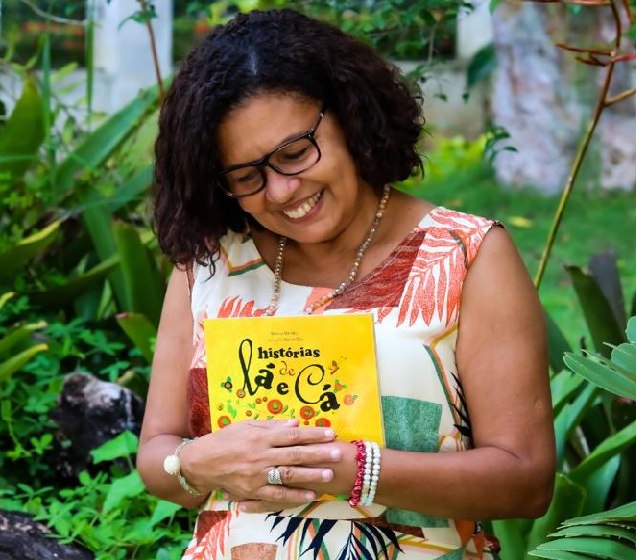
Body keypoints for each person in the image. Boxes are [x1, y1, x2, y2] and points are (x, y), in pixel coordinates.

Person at [137, 9, 555, 559]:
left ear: (349, 115)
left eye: (294, 153)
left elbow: (526, 482)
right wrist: (196, 462)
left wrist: (355, 470)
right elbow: (156, 456)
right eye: (247, 176)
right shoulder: (210, 266)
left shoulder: (465, 256)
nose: (283, 191)